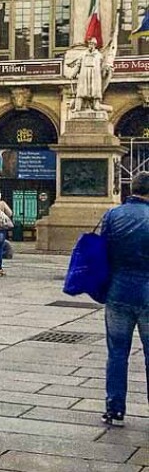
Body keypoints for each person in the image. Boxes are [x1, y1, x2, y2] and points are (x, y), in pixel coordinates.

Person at [100, 172, 149, 428]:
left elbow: (103, 252)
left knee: (117, 353)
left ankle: (114, 409)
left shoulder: (112, 215)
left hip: (118, 292)